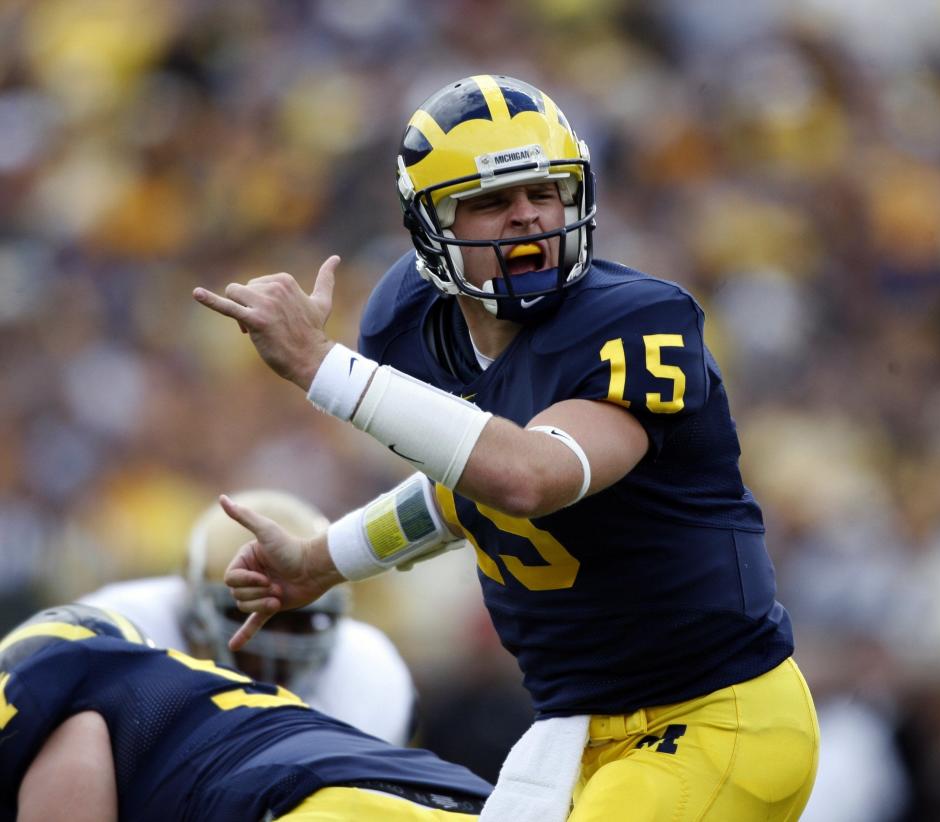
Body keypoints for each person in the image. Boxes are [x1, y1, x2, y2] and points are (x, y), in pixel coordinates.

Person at [193, 74, 820, 821]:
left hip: (716, 716)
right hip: (574, 734)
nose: (526, 217)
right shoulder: (412, 327)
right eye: (491, 201)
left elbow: (528, 478)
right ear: (432, 227)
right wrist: (320, 561)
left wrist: (320, 368)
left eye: (543, 192)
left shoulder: (636, 319)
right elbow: (466, 496)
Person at [0, 603, 491, 821]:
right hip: (462, 797)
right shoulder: (186, 695)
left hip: (318, 805)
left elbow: (75, 749)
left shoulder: (57, 689)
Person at [80, 489, 416, 746]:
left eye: (299, 621)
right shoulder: (122, 632)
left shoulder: (366, 673)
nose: (280, 643)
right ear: (190, 605)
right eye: (247, 609)